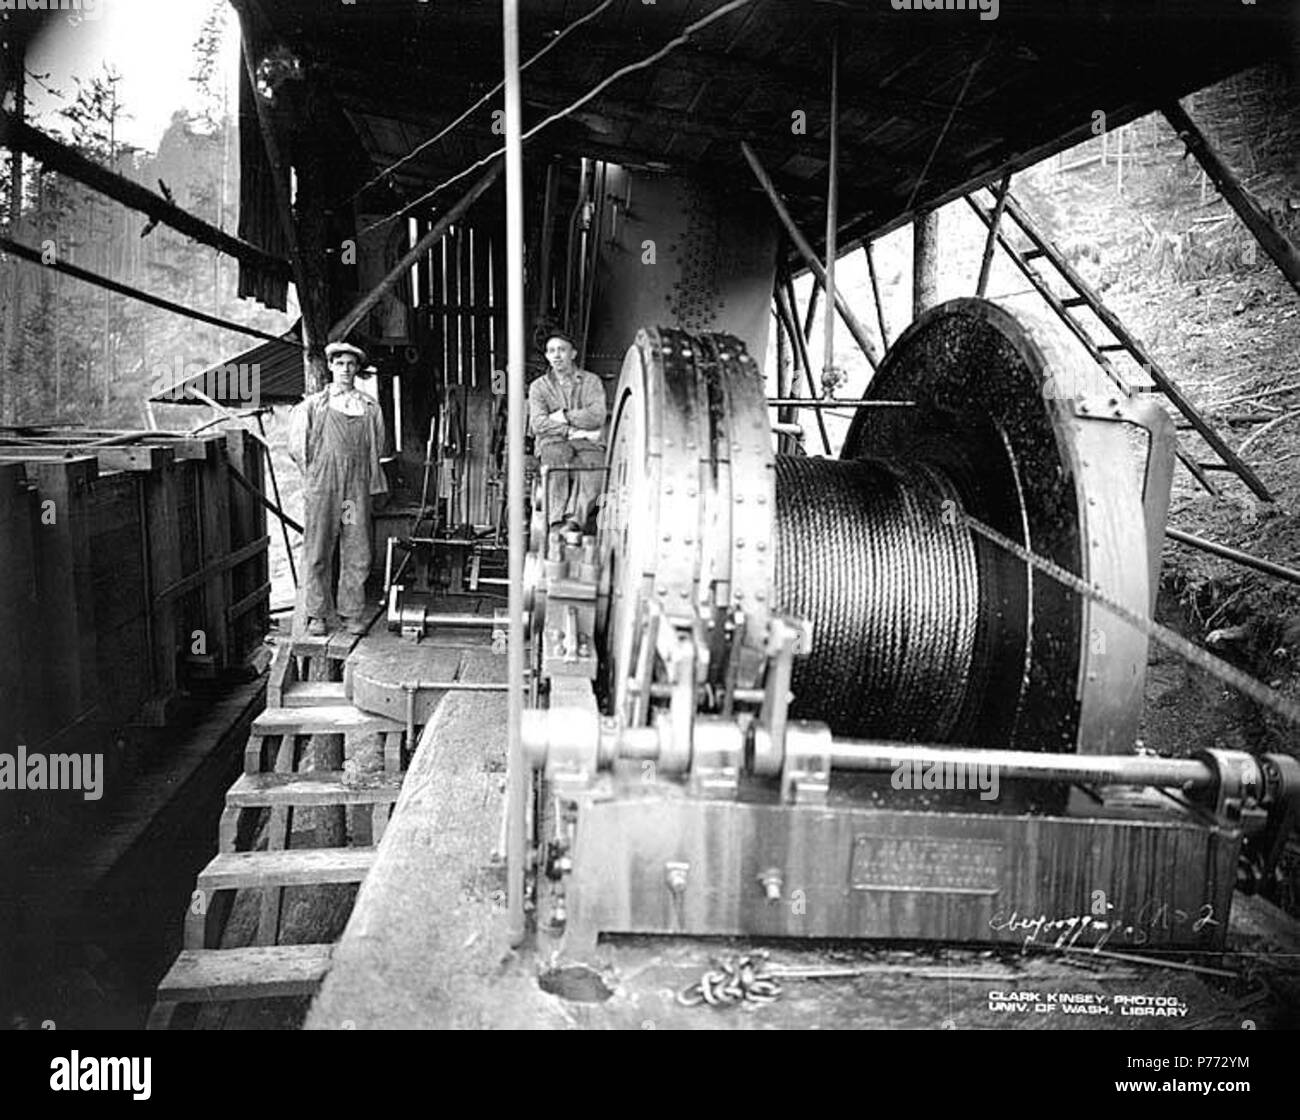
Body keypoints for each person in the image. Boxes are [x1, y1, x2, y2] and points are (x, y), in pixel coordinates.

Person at [288, 341, 388, 636]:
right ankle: (317, 615)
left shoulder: (368, 407)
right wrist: (314, 480)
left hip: (353, 491)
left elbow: (377, 445)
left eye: (351, 364)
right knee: (319, 547)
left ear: (357, 369)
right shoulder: (312, 406)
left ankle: (351, 613)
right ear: (330, 366)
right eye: (340, 363)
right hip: (324, 487)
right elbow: (297, 448)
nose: (345, 369)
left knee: (356, 547)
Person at [528, 329, 606, 532]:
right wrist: (571, 430)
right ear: (546, 355)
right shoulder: (538, 387)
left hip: (586, 442)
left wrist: (563, 415)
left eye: (562, 350)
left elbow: (597, 416)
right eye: (551, 350)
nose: (556, 355)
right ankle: (555, 523)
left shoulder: (591, 382)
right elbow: (538, 424)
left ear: (573, 354)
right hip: (552, 442)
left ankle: (574, 522)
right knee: (557, 461)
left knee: (597, 467)